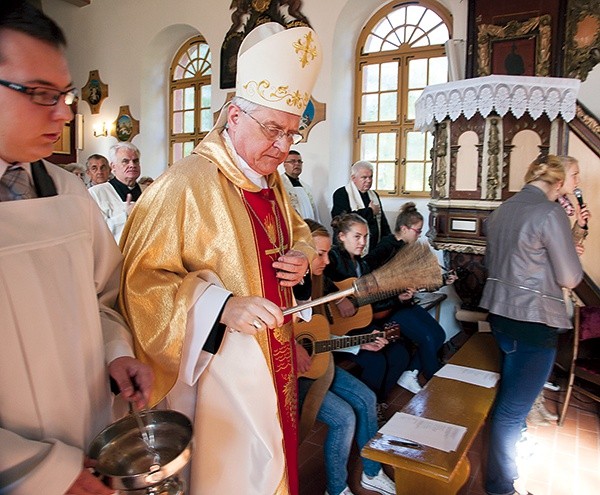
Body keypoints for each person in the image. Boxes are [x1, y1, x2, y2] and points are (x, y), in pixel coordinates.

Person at [118, 22, 322, 494]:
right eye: (273, 129)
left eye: (292, 133)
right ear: (233, 117)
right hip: (221, 374)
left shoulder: (271, 180)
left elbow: (299, 231)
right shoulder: (182, 185)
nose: (283, 146)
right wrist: (221, 306)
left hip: (277, 355)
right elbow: (139, 283)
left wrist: (302, 253)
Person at [0, 3, 153, 494]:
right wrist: (40, 471)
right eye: (41, 94)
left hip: (93, 441)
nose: (66, 113)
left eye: (64, 94)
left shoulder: (69, 197)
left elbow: (102, 296)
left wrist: (115, 351)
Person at [480, 155, 583, 495]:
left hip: (500, 316)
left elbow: (501, 263)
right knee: (511, 411)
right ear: (557, 182)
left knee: (510, 400)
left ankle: (503, 466)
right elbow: (569, 276)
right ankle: (501, 485)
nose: (575, 183)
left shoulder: (502, 210)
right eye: (572, 176)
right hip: (533, 321)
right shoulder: (549, 212)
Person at [296, 219, 395, 495]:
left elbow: (318, 340)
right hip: (294, 378)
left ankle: (372, 474)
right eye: (320, 254)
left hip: (320, 366)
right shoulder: (283, 286)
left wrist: (359, 345)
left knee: (367, 399)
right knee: (344, 418)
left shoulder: (316, 282)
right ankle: (336, 489)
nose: (327, 261)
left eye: (328, 253)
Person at [527, 155, 592, 426]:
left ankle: (538, 399)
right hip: (541, 288)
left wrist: (581, 224)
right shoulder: (546, 207)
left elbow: (572, 244)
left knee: (547, 346)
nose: (578, 180)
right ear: (560, 177)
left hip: (557, 285)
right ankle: (531, 404)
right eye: (575, 174)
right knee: (536, 348)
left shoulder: (566, 205)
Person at [363, 202, 450, 394]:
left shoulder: (407, 247)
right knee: (426, 337)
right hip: (388, 310)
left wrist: (443, 280)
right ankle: (435, 381)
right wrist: (395, 292)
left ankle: (410, 372)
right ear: (404, 229)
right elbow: (367, 274)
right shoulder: (386, 247)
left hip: (404, 304)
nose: (419, 235)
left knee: (438, 335)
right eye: (417, 231)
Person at [324, 213, 411, 404]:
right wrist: (338, 300)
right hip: (335, 332)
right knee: (376, 362)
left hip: (357, 325)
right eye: (357, 236)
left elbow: (368, 303)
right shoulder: (332, 257)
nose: (363, 242)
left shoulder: (362, 265)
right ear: (341, 236)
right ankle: (366, 406)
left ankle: (378, 402)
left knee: (399, 353)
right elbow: (318, 277)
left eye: (365, 237)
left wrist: (398, 298)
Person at [331, 160, 391, 254]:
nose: (369, 180)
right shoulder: (342, 194)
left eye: (371, 177)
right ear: (353, 178)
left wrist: (388, 241)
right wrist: (370, 211)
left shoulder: (374, 195)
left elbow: (382, 222)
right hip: (347, 250)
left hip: (373, 249)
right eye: (364, 177)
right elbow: (342, 219)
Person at [88, 142, 142, 244]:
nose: (132, 165)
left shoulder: (148, 191)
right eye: (125, 161)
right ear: (113, 167)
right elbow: (95, 232)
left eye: (136, 161)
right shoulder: (97, 193)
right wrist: (125, 216)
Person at [280, 149, 320, 220]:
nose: (297, 164)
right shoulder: (279, 185)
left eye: (299, 161)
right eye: (292, 161)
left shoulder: (307, 188)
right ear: (284, 164)